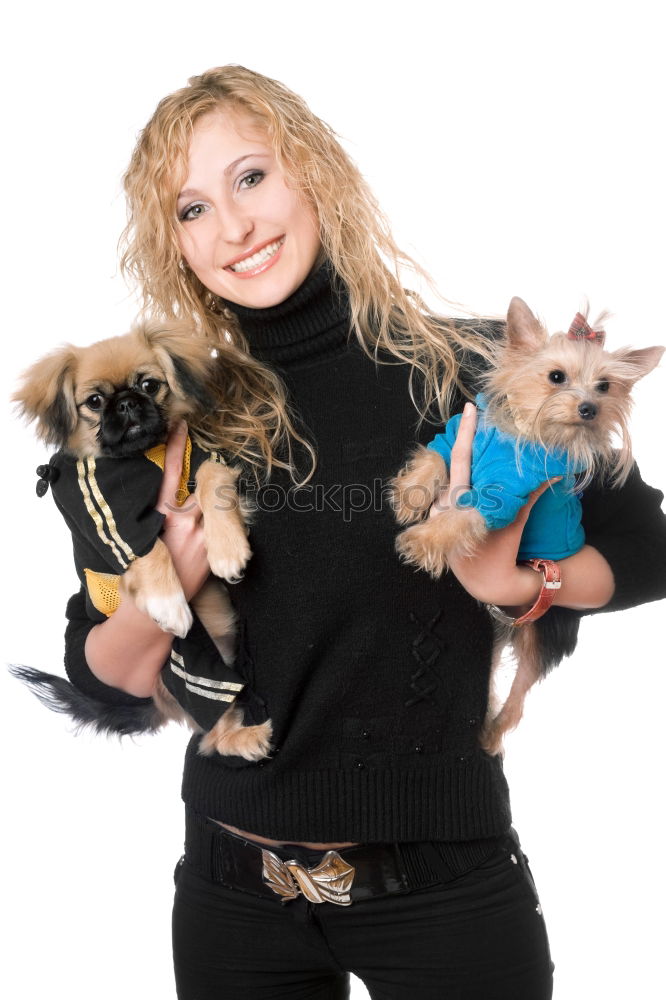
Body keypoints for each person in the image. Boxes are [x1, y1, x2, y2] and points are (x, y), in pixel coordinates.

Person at [61, 65, 666, 999]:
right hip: (231, 902)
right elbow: (105, 672)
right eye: (192, 209)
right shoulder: (172, 414)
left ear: (314, 173)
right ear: (171, 241)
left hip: (444, 902)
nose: (234, 228)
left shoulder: (472, 369)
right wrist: (168, 578)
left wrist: (523, 584)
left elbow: (647, 548)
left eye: (252, 178)